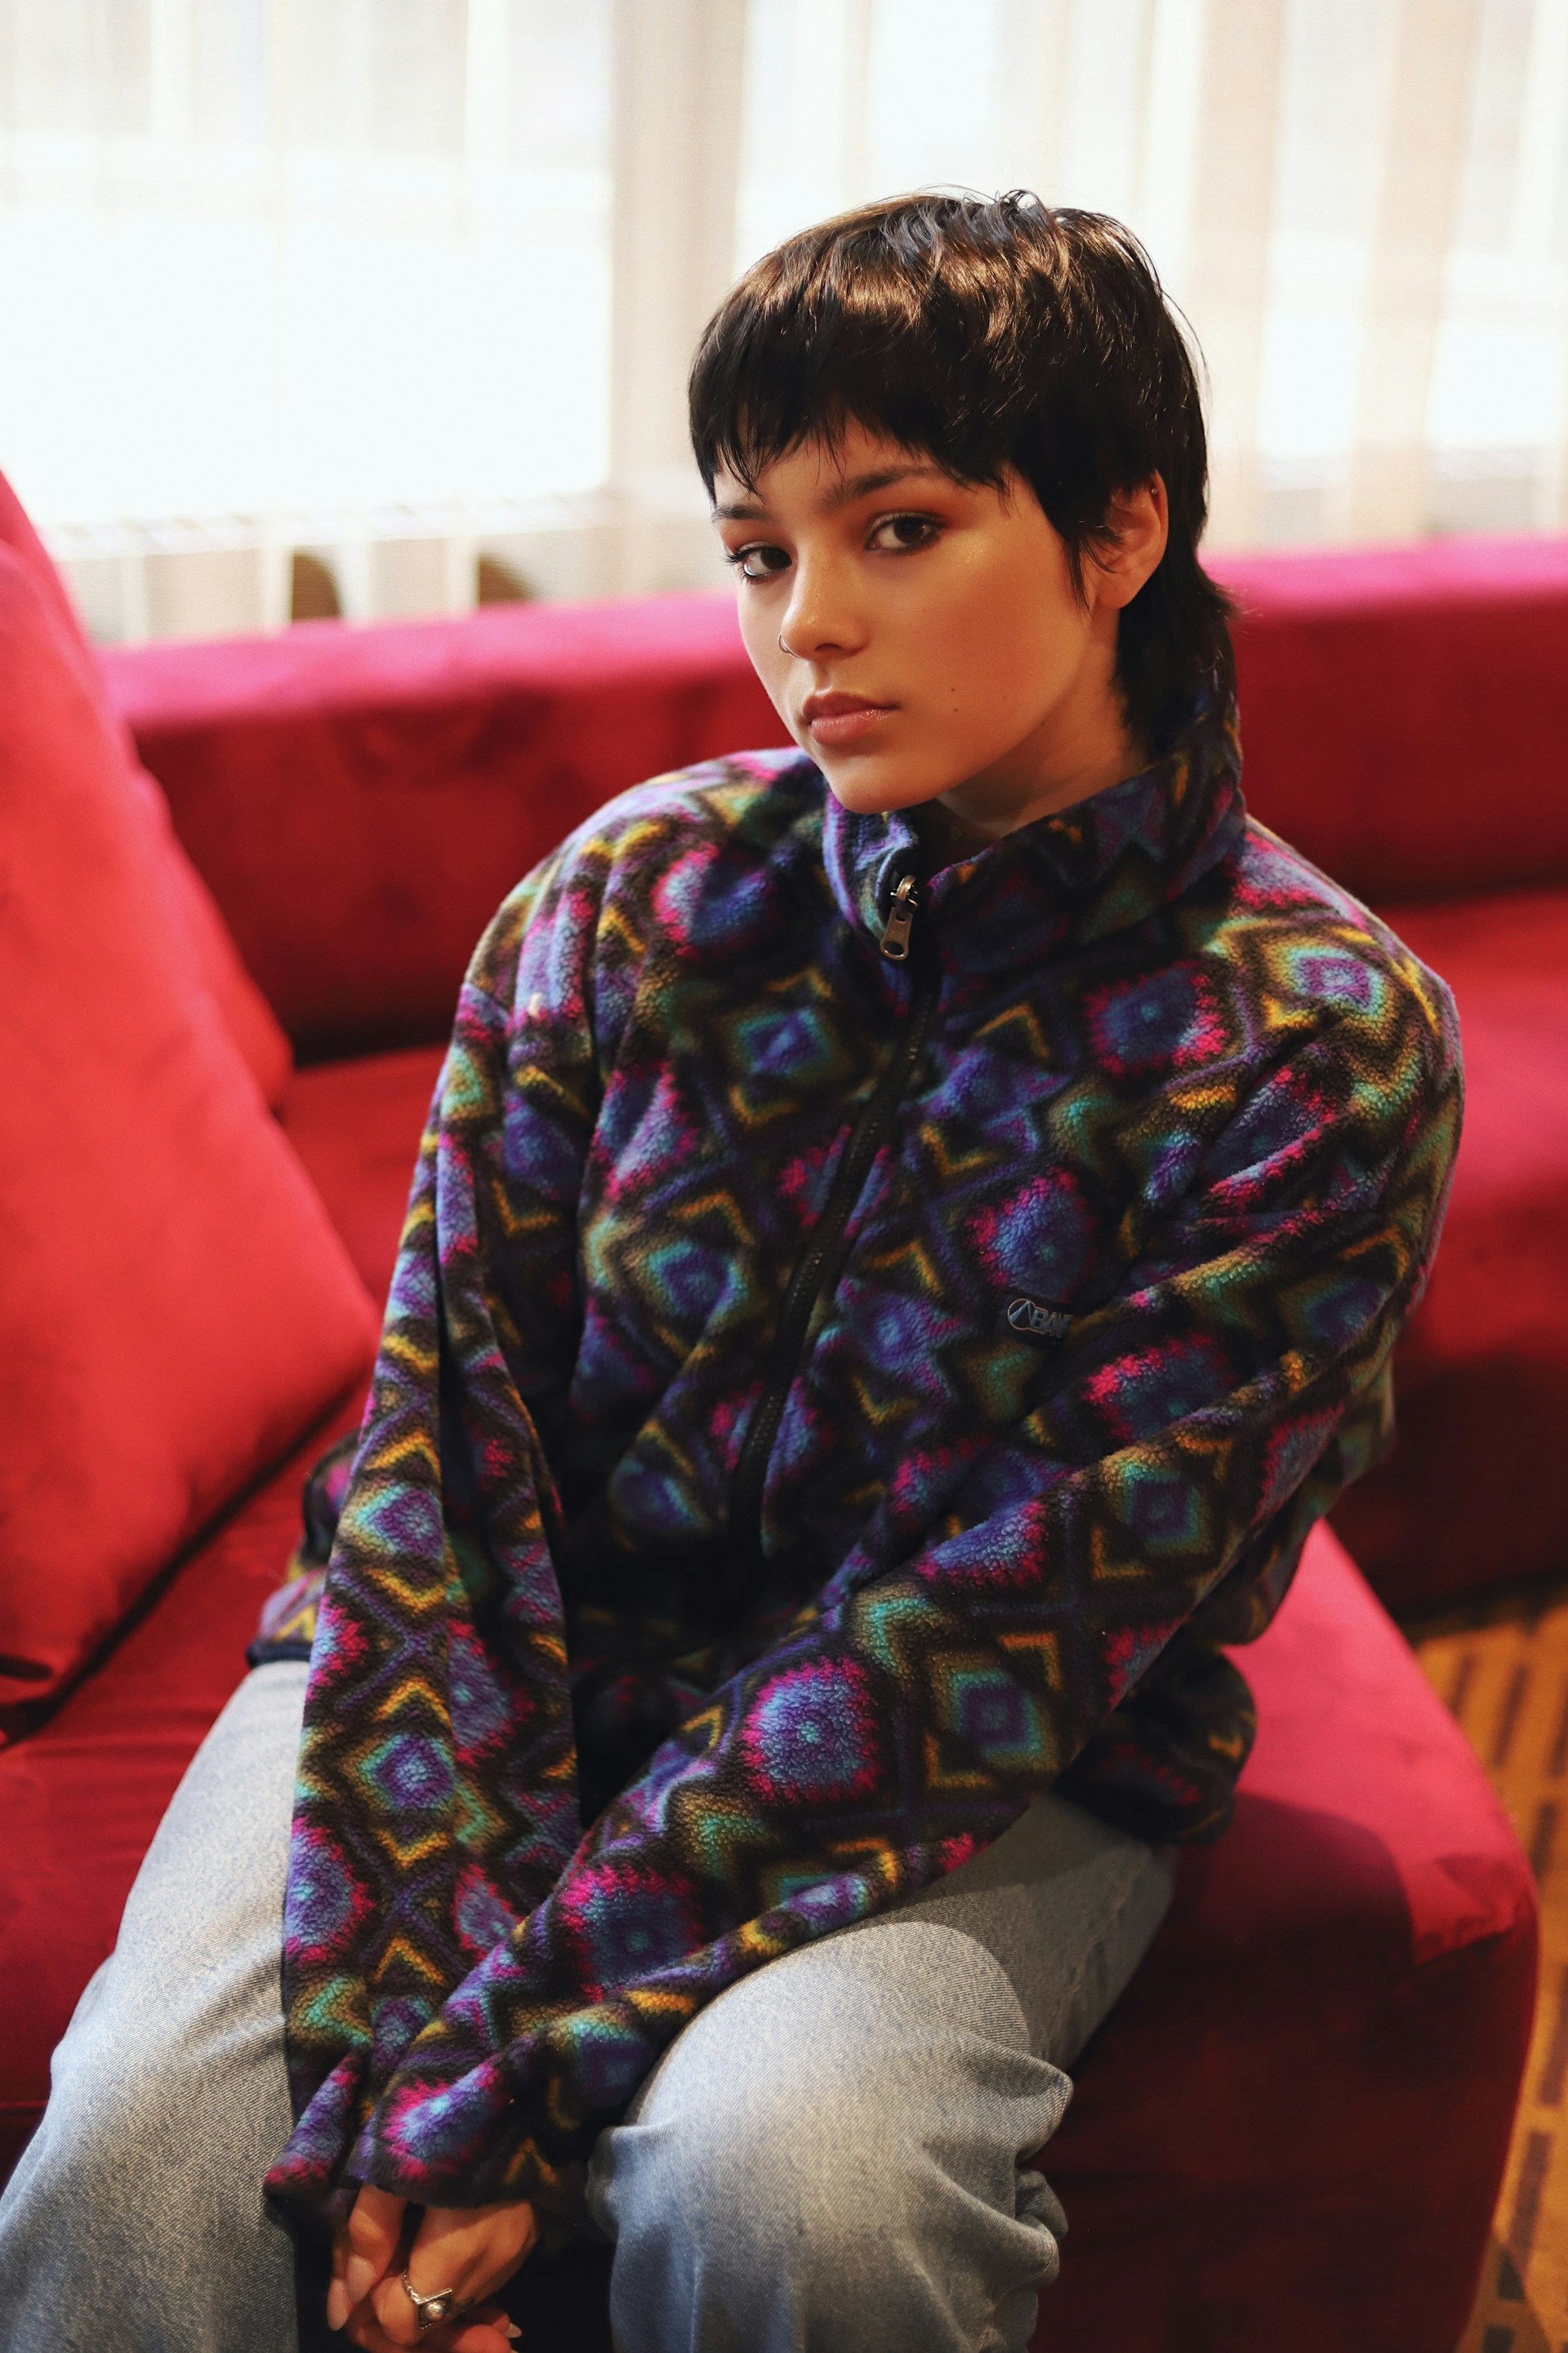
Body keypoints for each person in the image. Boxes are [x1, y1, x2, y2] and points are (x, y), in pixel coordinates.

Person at [0, 192, 1461, 2353]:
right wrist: (419, 2039)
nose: (809, 631)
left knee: (806, 2187)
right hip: (499, 1653)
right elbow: (444, 1447)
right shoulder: (629, 898)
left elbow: (992, 1636)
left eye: (896, 528)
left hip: (979, 1755)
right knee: (131, 2157)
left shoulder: (1318, 1047)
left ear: (1125, 523)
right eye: (761, 551)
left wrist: (507, 2057)